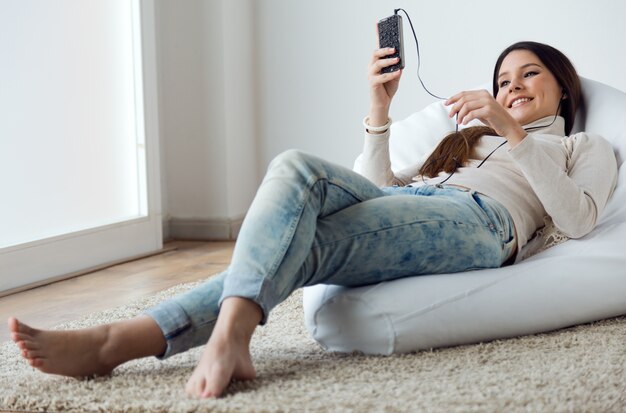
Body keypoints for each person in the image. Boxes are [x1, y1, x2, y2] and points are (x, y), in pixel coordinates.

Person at [7, 40, 618, 399]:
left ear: (561, 88)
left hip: (482, 224)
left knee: (305, 204)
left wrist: (511, 133)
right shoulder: (461, 145)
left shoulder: (579, 148)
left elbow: (579, 219)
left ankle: (161, 337)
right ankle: (132, 342)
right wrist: (379, 111)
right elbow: (379, 195)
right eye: (503, 80)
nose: (512, 87)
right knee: (301, 186)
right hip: (423, 209)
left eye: (528, 74)